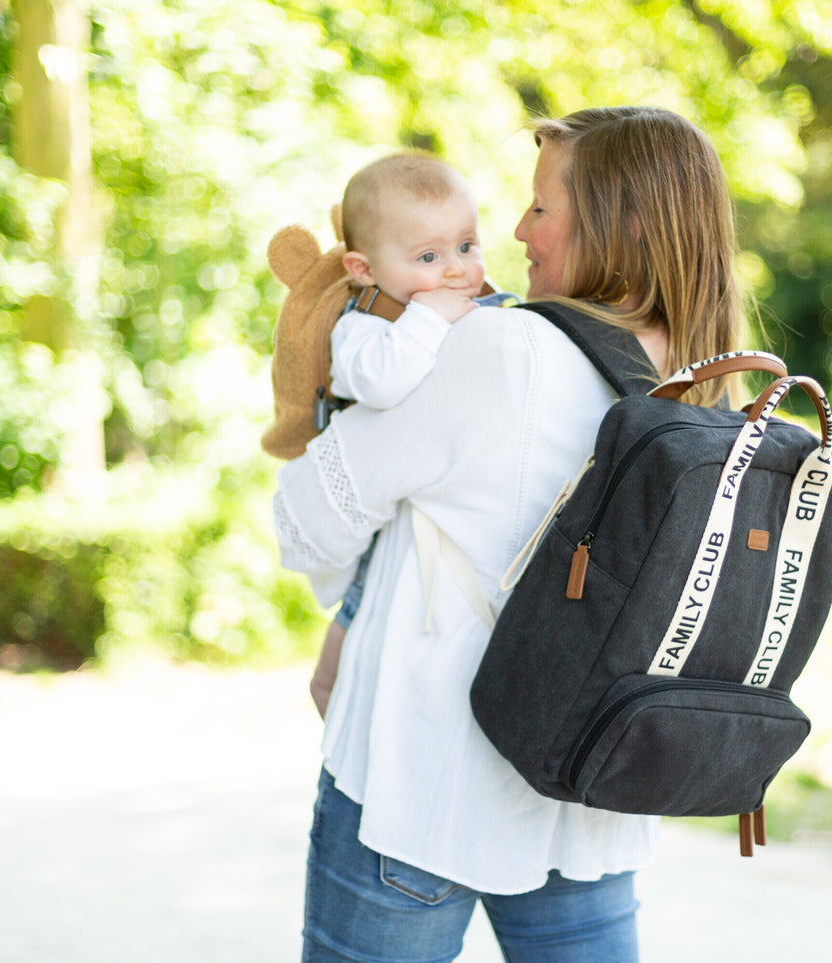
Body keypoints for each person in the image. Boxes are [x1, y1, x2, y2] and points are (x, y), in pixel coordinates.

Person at [272, 106, 750, 962]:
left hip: (423, 788)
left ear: (621, 222)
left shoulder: (498, 348)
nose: (518, 231)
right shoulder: (699, 371)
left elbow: (305, 523)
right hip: (588, 790)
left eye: (541, 206)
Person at [308, 152, 509, 717]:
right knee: (341, 663)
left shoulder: (473, 305)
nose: (455, 270)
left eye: (467, 246)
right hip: (380, 528)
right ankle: (340, 741)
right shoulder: (363, 328)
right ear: (364, 269)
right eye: (428, 256)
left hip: (447, 522)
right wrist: (432, 318)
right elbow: (381, 384)